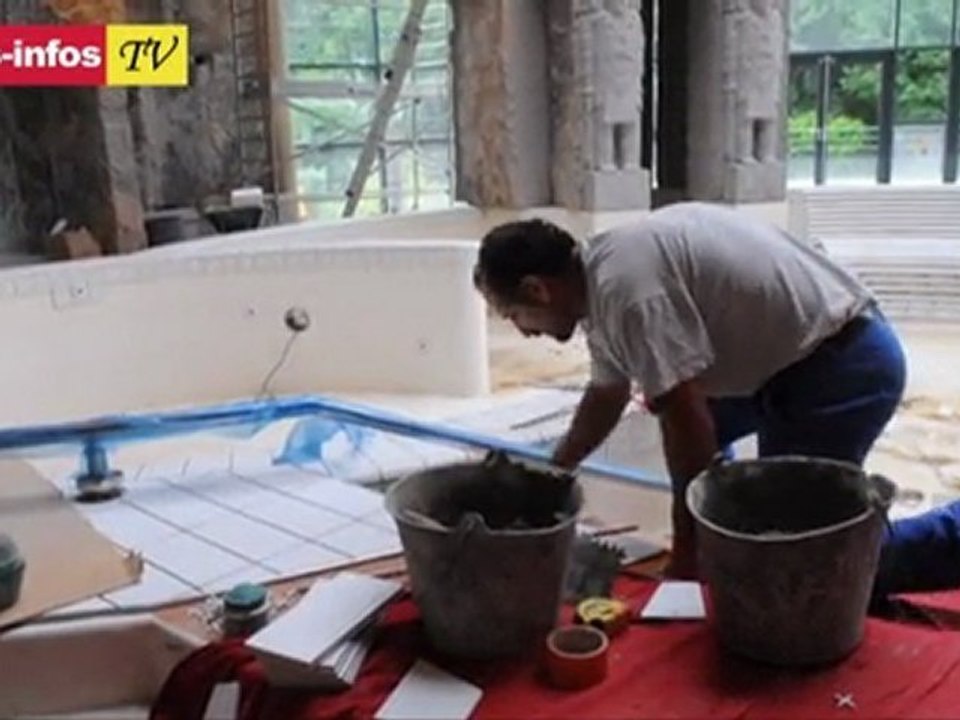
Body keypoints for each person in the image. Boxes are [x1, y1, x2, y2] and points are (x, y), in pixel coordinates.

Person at [472, 202, 907, 579]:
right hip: (788, 364)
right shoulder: (599, 281)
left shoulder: (626, 291)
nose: (522, 332)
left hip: (844, 366)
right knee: (732, 483)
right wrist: (556, 470)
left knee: (794, 538)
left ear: (537, 289)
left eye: (513, 314)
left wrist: (684, 556)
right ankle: (723, 555)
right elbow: (607, 393)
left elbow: (685, 419)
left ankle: (907, 559)